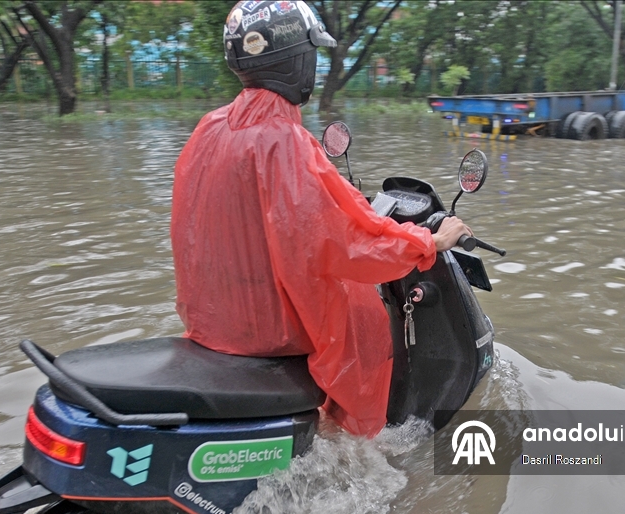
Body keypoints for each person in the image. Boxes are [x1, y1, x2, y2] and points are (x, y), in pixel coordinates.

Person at [170, 0, 472, 437]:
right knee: (367, 329)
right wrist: (430, 243)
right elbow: (347, 240)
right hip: (269, 331)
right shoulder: (284, 140)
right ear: (296, 60)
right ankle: (363, 444)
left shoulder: (209, 128)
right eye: (312, 55)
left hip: (214, 323)